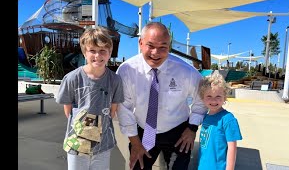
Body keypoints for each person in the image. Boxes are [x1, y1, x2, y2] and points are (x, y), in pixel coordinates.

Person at [116, 22, 208, 170]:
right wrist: (135, 142)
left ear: (169, 47)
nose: (155, 53)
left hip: (178, 132)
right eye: (150, 46)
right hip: (142, 131)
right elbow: (123, 108)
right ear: (140, 43)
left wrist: (192, 128)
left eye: (162, 47)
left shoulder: (186, 71)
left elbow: (202, 100)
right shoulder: (127, 70)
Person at [56, 26, 124, 170]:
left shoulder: (115, 80)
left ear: (109, 52)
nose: (97, 56)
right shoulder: (71, 78)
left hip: (103, 145)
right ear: (84, 52)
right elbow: (68, 112)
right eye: (92, 50)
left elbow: (112, 111)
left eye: (102, 51)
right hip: (76, 145)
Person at [197, 70, 242, 170]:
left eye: (218, 96)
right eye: (209, 96)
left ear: (225, 97)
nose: (213, 100)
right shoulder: (205, 116)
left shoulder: (228, 119)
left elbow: (232, 148)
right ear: (202, 98)